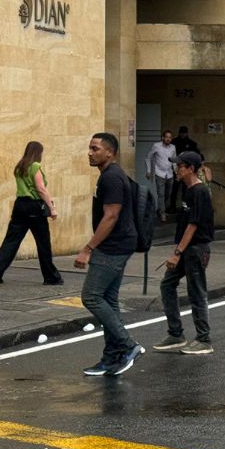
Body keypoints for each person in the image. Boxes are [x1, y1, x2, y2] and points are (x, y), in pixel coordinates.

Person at [75, 132, 143, 377]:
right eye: (90, 148)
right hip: (120, 244)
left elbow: (111, 216)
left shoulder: (112, 178)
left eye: (95, 149)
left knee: (91, 297)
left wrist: (88, 248)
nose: (90, 153)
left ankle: (128, 345)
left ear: (110, 152)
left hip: (113, 246)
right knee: (109, 300)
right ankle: (111, 357)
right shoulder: (109, 175)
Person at [153, 151, 216, 356]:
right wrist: (178, 249)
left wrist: (177, 252)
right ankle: (176, 334)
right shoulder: (188, 190)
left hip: (196, 249)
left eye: (179, 166)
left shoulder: (199, 191)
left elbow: (193, 225)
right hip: (185, 248)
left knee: (196, 292)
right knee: (167, 284)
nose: (176, 169)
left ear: (190, 168)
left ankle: (203, 339)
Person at [0, 141, 63, 285]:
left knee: (11, 241)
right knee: (43, 243)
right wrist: (51, 207)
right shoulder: (35, 166)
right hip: (34, 207)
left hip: (20, 206)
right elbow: (40, 189)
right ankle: (51, 277)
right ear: (38, 153)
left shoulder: (19, 166)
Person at [146, 130, 176, 223]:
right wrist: (149, 171)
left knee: (168, 193)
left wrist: (176, 171)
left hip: (170, 173)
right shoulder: (156, 146)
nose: (168, 139)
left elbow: (174, 160)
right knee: (161, 194)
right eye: (166, 137)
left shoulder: (173, 147)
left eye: (170, 137)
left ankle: (160, 209)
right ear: (163, 137)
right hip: (159, 173)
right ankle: (162, 213)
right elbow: (148, 157)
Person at [170, 126, 201, 212]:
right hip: (176, 168)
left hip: (187, 169)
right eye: (181, 133)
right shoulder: (174, 142)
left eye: (184, 133)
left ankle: (185, 207)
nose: (183, 135)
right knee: (175, 189)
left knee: (186, 189)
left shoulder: (191, 143)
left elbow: (198, 155)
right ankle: (173, 205)